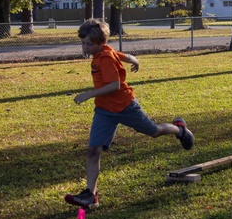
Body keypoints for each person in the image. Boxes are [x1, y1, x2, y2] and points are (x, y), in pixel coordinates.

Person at [66, 18, 195, 209]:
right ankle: (90, 195)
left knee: (154, 131)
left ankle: (180, 130)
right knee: (94, 151)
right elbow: (118, 53)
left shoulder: (105, 58)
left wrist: (87, 94)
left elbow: (114, 85)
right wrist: (133, 58)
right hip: (104, 110)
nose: (85, 47)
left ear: (100, 43)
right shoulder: (104, 51)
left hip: (125, 106)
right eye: (83, 43)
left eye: (89, 44)